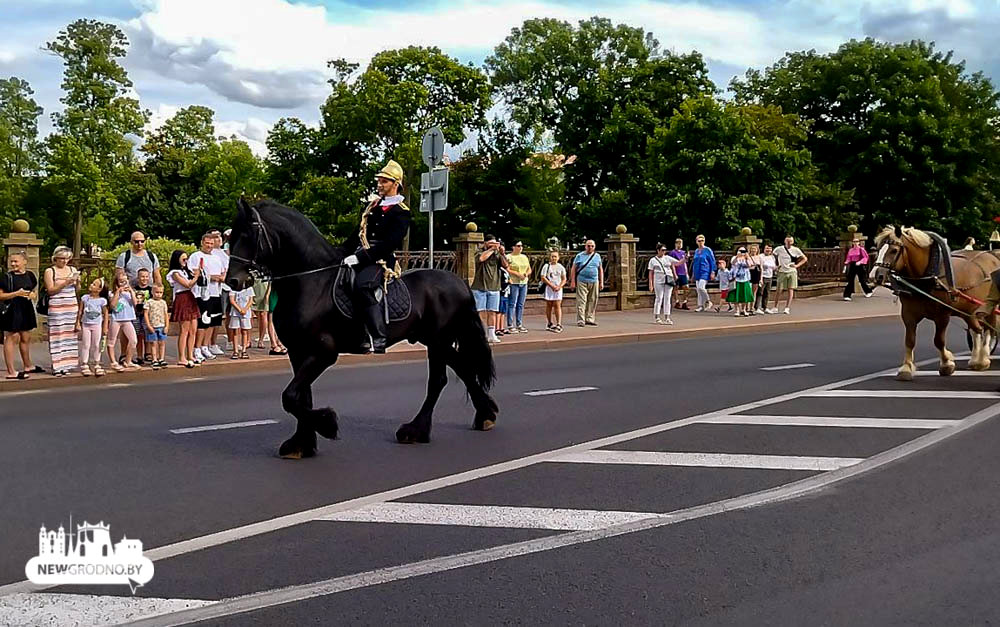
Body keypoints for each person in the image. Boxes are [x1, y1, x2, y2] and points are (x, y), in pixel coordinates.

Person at [341, 159, 411, 354]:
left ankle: (378, 336)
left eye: (384, 181)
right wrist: (338, 253)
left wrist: (360, 258)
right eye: (379, 181)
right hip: (362, 253)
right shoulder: (372, 207)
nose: (380, 184)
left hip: (380, 260)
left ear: (395, 184)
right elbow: (357, 234)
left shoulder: (401, 212)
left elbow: (390, 243)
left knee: (364, 286)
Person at [1, 251, 42, 379]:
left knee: (25, 337)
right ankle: (11, 371)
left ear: (24, 261)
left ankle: (27, 365)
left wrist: (32, 295)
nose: (13, 264)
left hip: (26, 309)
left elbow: (33, 290)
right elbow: (1, 296)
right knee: (11, 338)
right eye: (11, 261)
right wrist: (16, 293)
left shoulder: (30, 275)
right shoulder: (6, 277)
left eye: (16, 261)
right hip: (12, 309)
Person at [188, 233, 226, 361]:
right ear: (202, 243)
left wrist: (219, 277)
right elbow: (194, 274)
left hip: (216, 293)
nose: (209, 246)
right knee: (203, 322)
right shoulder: (195, 256)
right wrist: (212, 277)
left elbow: (223, 273)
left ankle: (205, 346)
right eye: (207, 243)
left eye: (211, 243)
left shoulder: (217, 258)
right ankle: (196, 348)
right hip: (202, 294)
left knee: (213, 321)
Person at [43, 246, 81, 376]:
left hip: (71, 305)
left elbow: (77, 290)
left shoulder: (72, 269)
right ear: (55, 258)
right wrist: (65, 282)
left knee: (69, 336)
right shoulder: (50, 271)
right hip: (57, 306)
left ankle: (67, 364)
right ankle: (57, 365)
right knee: (57, 334)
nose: (64, 261)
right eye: (62, 259)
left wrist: (77, 282)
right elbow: (51, 290)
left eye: (67, 259)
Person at [166, 250, 201, 368]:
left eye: (187, 259)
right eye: (183, 259)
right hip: (182, 297)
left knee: (193, 329)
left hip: (191, 297)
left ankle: (190, 355)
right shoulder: (175, 273)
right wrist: (196, 276)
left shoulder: (186, 271)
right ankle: (182, 357)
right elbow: (187, 284)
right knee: (184, 330)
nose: (186, 262)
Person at [471, 235, 508, 344]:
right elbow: (481, 259)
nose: (494, 245)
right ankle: (479, 334)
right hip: (479, 286)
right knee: (479, 312)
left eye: (495, 243)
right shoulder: (479, 251)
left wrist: (502, 253)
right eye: (491, 243)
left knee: (492, 311)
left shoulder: (497, 254)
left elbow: (506, 265)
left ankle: (491, 334)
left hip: (494, 286)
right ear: (486, 243)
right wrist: (491, 249)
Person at [107, 270, 140, 372]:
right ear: (117, 283)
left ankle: (128, 361)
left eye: (125, 281)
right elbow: (112, 305)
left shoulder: (130, 293)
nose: (124, 284)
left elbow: (136, 304)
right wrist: (118, 292)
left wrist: (131, 292)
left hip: (127, 319)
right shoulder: (112, 293)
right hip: (116, 319)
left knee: (133, 340)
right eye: (121, 282)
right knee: (112, 341)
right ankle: (113, 362)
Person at [76, 277, 108, 377]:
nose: (91, 285)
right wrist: (78, 323)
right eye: (92, 283)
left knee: (97, 344)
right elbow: (80, 311)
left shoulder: (102, 301)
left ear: (99, 289)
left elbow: (105, 313)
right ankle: (84, 363)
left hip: (97, 325)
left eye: (94, 284)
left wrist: (105, 326)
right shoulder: (85, 298)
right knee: (86, 344)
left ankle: (97, 363)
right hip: (86, 324)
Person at [647, 243, 684, 325]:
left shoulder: (667, 258)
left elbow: (678, 263)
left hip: (668, 280)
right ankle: (657, 316)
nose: (664, 252)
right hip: (658, 280)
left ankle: (667, 316)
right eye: (662, 250)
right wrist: (651, 284)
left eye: (665, 250)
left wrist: (685, 258)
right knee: (659, 298)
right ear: (658, 250)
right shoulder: (653, 260)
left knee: (667, 298)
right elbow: (651, 273)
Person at [569, 240, 603, 327]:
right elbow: (574, 268)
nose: (590, 248)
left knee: (593, 300)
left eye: (592, 246)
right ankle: (581, 320)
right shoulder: (579, 256)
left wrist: (601, 282)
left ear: (594, 247)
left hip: (594, 281)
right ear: (585, 246)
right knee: (581, 300)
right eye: (588, 246)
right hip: (582, 280)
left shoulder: (597, 256)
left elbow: (600, 269)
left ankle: (590, 318)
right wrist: (573, 281)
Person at [772, 235, 808, 314]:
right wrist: (776, 265)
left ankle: (787, 307)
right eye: (787, 241)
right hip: (782, 271)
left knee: (790, 289)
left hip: (792, 271)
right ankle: (775, 306)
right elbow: (773, 256)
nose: (789, 243)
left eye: (790, 241)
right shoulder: (779, 249)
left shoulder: (796, 250)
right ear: (785, 241)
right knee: (779, 289)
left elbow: (805, 258)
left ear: (793, 242)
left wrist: (797, 265)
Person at [211, 229, 231, 354]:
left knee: (230, 316)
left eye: (219, 237)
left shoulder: (225, 253)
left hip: (229, 287)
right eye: (215, 237)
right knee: (217, 317)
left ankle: (231, 340)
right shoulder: (211, 254)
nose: (218, 239)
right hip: (218, 289)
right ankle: (211, 343)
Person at [505, 241, 530, 333]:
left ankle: (519, 323)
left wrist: (526, 274)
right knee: (512, 303)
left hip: (524, 282)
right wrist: (517, 274)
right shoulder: (509, 257)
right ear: (513, 247)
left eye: (521, 246)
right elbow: (506, 268)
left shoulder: (524, 257)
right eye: (518, 246)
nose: (520, 248)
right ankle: (510, 324)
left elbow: (529, 268)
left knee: (521, 304)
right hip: (514, 282)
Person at [143, 284, 169, 369]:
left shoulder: (163, 302)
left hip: (161, 325)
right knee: (153, 343)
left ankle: (161, 358)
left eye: (160, 292)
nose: (158, 294)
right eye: (157, 292)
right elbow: (146, 314)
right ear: (152, 292)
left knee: (162, 343)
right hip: (153, 326)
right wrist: (148, 325)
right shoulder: (149, 302)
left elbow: (166, 315)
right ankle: (154, 359)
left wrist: (167, 326)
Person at [132, 268, 154, 365]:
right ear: (138, 277)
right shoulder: (134, 289)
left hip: (147, 316)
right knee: (139, 335)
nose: (144, 278)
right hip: (136, 315)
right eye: (142, 276)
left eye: (146, 276)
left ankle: (148, 353)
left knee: (147, 334)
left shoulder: (151, 289)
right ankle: (139, 355)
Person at [540, 250, 566, 332]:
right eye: (552, 256)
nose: (554, 258)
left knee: (557, 305)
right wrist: (551, 285)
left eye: (555, 256)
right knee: (549, 304)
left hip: (558, 288)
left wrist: (559, 286)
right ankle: (549, 323)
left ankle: (559, 323)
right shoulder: (546, 266)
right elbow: (543, 277)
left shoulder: (561, 267)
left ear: (558, 258)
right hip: (549, 288)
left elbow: (564, 278)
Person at [691, 234, 717, 312]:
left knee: (701, 287)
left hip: (705, 270)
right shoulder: (696, 251)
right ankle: (700, 305)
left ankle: (708, 301)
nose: (701, 242)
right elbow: (694, 262)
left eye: (702, 241)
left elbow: (712, 261)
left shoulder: (707, 250)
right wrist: (693, 274)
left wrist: (713, 271)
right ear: (696, 242)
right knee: (698, 290)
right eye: (699, 241)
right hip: (697, 271)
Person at [228, 283, 254, 359]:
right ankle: (235, 350)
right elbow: (232, 300)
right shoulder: (233, 287)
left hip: (245, 312)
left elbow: (250, 300)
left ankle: (244, 350)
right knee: (235, 331)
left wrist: (245, 309)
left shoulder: (249, 288)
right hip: (235, 312)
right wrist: (239, 309)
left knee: (244, 331)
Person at [729, 247, 755, 316]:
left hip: (745, 278)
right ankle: (737, 310)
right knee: (736, 295)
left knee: (744, 295)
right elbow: (733, 263)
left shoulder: (748, 258)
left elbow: (750, 265)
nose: (742, 252)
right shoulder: (734, 258)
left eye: (743, 251)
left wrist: (747, 258)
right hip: (737, 279)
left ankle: (743, 309)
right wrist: (737, 257)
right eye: (740, 250)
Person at [668, 239, 690, 310]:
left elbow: (685, 264)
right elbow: (672, 264)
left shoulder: (684, 253)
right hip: (676, 272)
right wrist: (674, 273)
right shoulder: (672, 253)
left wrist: (686, 273)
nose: (679, 245)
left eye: (680, 243)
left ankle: (685, 302)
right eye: (678, 243)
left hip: (683, 272)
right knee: (675, 287)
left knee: (686, 287)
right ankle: (677, 301)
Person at [756, 244, 777, 314]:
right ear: (764, 249)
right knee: (760, 292)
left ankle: (765, 307)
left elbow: (773, 267)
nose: (768, 250)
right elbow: (760, 267)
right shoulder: (761, 256)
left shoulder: (772, 257)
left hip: (770, 276)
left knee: (767, 292)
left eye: (770, 248)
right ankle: (756, 307)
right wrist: (760, 278)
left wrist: (777, 268)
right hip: (762, 276)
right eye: (767, 248)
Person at [252, 278, 271, 349]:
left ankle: (261, 340)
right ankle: (248, 341)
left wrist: (268, 293)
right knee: (252, 314)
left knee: (263, 314)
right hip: (252, 285)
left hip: (264, 286)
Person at [747, 243, 763, 314]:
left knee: (754, 292)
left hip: (757, 274)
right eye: (752, 249)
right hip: (749, 274)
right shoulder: (748, 257)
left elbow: (761, 268)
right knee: (748, 291)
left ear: (757, 250)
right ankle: (746, 307)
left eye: (755, 249)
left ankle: (752, 307)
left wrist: (761, 278)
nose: (753, 251)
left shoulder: (759, 257)